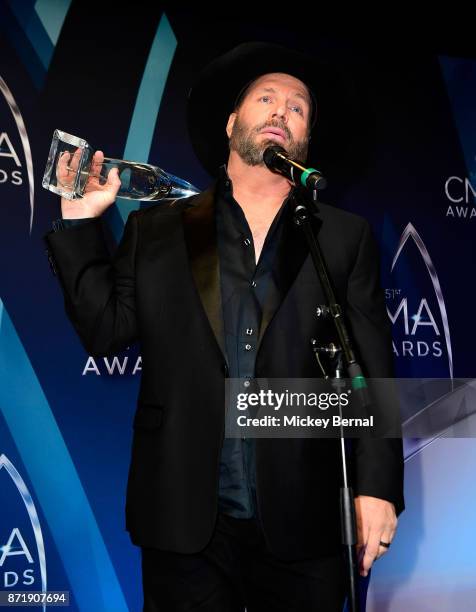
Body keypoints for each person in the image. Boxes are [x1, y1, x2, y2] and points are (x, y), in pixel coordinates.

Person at [44, 42, 404, 611]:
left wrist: (378, 486)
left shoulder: (342, 235)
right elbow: (106, 330)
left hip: (306, 518)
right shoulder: (158, 228)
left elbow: (371, 366)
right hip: (184, 519)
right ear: (233, 121)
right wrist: (79, 225)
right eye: (266, 98)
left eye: (298, 107)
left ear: (307, 139)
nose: (282, 110)